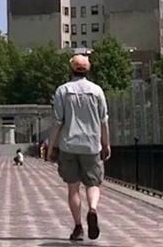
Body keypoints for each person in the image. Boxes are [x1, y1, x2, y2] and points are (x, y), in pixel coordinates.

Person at [47, 54, 111, 242]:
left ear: (71, 69)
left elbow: (58, 121)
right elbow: (103, 121)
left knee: (73, 188)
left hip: (69, 145)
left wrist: (51, 147)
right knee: (93, 183)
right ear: (88, 69)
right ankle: (92, 209)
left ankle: (78, 227)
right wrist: (106, 143)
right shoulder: (97, 91)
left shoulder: (63, 91)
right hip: (91, 144)